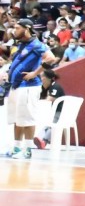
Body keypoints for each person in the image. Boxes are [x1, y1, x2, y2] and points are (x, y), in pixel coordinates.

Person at [2, 19, 56, 159]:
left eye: (17, 28)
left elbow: (51, 58)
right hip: (16, 85)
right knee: (17, 118)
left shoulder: (37, 44)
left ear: (27, 28)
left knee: (28, 118)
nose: (14, 30)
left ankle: (27, 149)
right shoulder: (22, 44)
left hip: (29, 87)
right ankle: (16, 147)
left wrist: (34, 73)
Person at [33, 69, 66, 150]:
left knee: (52, 123)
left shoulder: (55, 87)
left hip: (61, 113)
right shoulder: (47, 88)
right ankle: (39, 139)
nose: (41, 79)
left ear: (49, 78)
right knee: (47, 124)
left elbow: (48, 100)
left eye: (42, 77)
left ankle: (44, 141)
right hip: (52, 113)